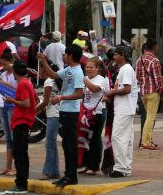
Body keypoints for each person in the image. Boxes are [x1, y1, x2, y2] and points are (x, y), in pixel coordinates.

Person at [52, 44, 85, 187]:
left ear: (71, 55)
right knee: (66, 144)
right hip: (65, 111)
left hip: (71, 112)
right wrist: (44, 60)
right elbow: (53, 75)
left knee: (70, 145)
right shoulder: (69, 69)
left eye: (66, 54)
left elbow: (79, 94)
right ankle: (68, 174)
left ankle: (71, 176)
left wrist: (61, 98)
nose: (64, 56)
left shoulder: (78, 72)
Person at [2, 60, 38, 194]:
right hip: (24, 121)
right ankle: (22, 182)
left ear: (15, 71)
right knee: (21, 153)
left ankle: (21, 184)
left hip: (21, 122)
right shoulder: (27, 82)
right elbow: (35, 99)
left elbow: (26, 103)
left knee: (19, 153)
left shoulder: (22, 84)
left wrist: (11, 101)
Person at [105, 45, 139, 178]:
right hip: (125, 108)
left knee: (117, 137)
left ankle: (120, 167)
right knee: (127, 139)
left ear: (123, 56)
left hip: (124, 109)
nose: (114, 57)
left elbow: (127, 89)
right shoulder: (125, 69)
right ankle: (125, 167)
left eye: (116, 54)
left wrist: (112, 92)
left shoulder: (126, 69)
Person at [81, 58, 109, 175]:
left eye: (91, 67)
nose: (89, 69)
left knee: (95, 139)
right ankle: (86, 165)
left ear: (97, 69)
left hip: (97, 113)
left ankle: (94, 166)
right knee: (86, 139)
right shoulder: (86, 79)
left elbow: (94, 89)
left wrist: (83, 79)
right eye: (87, 67)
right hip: (85, 113)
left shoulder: (101, 79)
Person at [135, 40, 163, 150]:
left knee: (148, 116)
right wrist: (162, 92)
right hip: (153, 92)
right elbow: (158, 79)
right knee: (151, 117)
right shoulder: (155, 61)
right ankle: (146, 142)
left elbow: (136, 77)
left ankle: (147, 140)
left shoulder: (139, 60)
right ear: (154, 47)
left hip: (143, 92)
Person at [38, 59, 61, 179]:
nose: (39, 71)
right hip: (56, 114)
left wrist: (35, 110)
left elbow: (46, 101)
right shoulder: (55, 80)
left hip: (53, 115)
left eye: (40, 68)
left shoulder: (48, 81)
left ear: (44, 69)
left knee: (49, 144)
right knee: (52, 144)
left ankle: (47, 171)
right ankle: (55, 171)